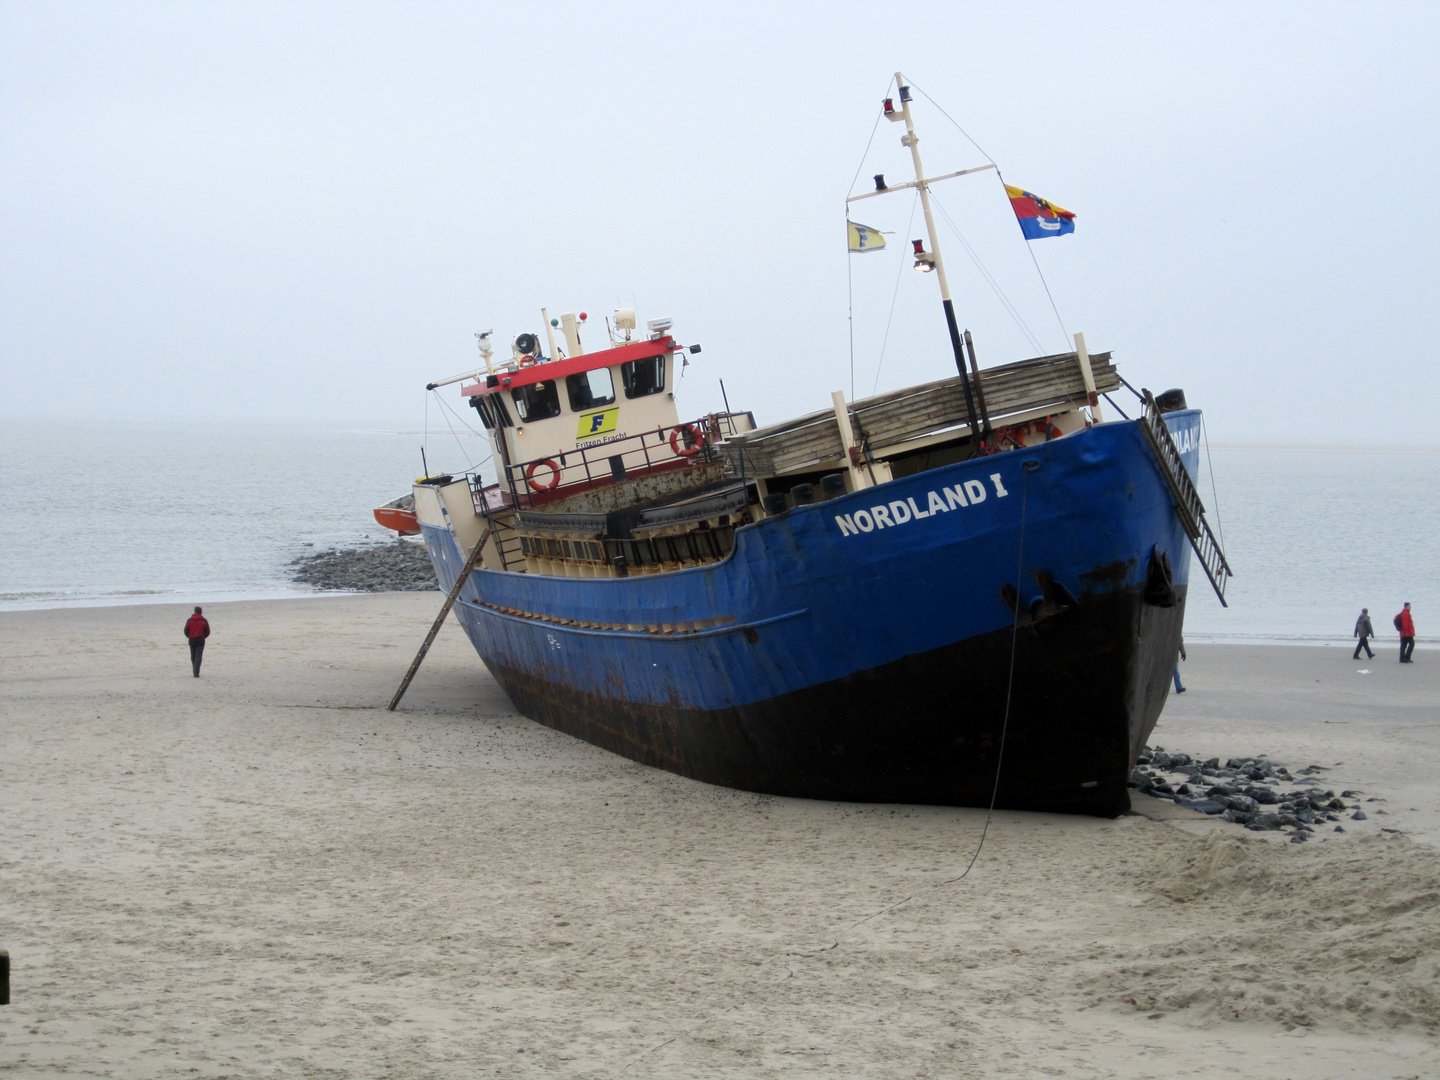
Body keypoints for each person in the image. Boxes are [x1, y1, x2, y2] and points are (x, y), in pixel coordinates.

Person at [184, 606, 211, 677]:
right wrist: (203, 636)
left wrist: (190, 636)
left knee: (193, 656)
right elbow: (207, 631)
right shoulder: (203, 620)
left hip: (192, 640)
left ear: (195, 611)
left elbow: (186, 631)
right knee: (198, 656)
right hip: (200, 640)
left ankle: (195, 670)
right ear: (201, 612)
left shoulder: (189, 620)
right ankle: (196, 672)